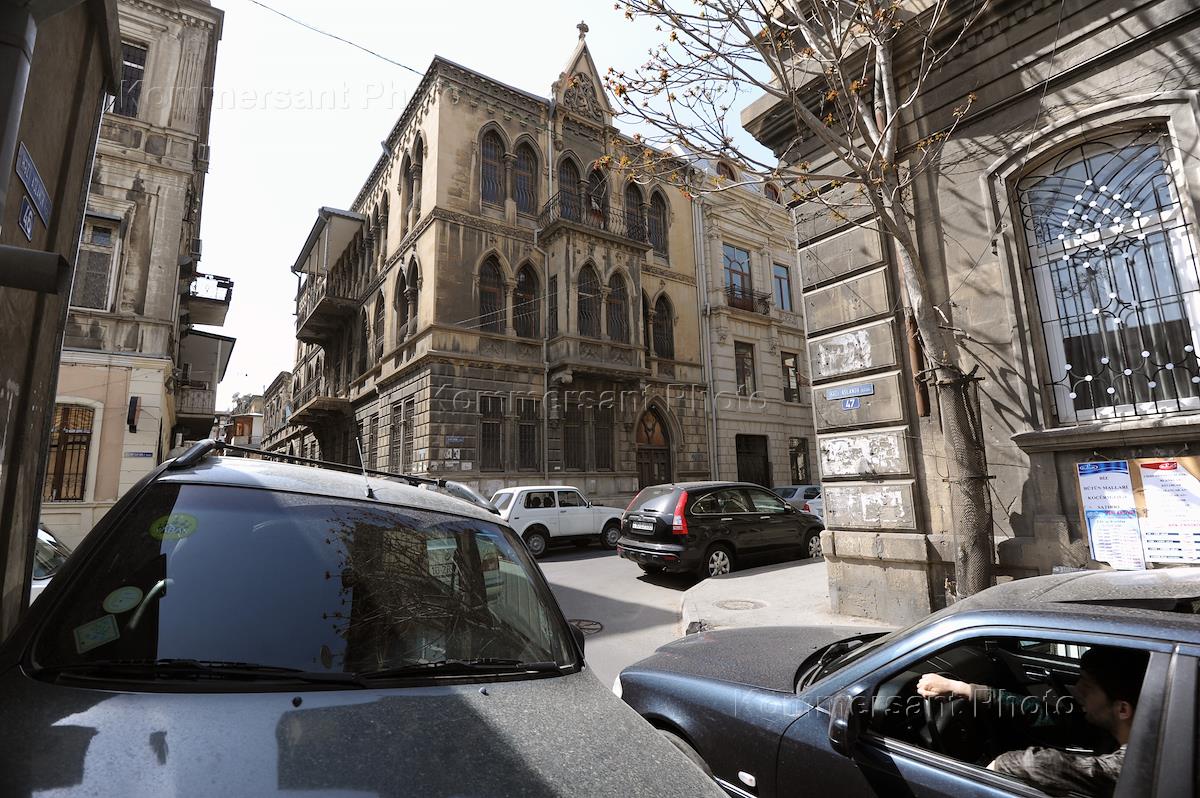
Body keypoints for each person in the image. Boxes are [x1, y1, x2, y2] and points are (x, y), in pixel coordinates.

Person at [917, 646, 1149, 798]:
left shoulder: (1141, 764)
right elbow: (1045, 715)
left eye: (1088, 687)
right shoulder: (1114, 730)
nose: (1078, 690)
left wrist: (1001, 764)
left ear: (1122, 709)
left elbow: (1050, 765)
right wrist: (963, 689)